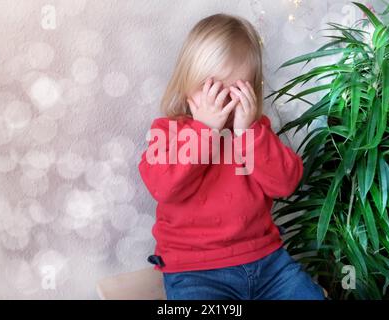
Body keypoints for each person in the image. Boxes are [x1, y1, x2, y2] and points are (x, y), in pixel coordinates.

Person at [138, 13, 325, 300]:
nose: (222, 103)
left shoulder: (256, 132)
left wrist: (248, 132)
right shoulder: (168, 131)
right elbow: (164, 187)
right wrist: (204, 131)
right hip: (195, 270)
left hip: (268, 263)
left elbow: (286, 183)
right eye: (211, 89)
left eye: (236, 91)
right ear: (187, 82)